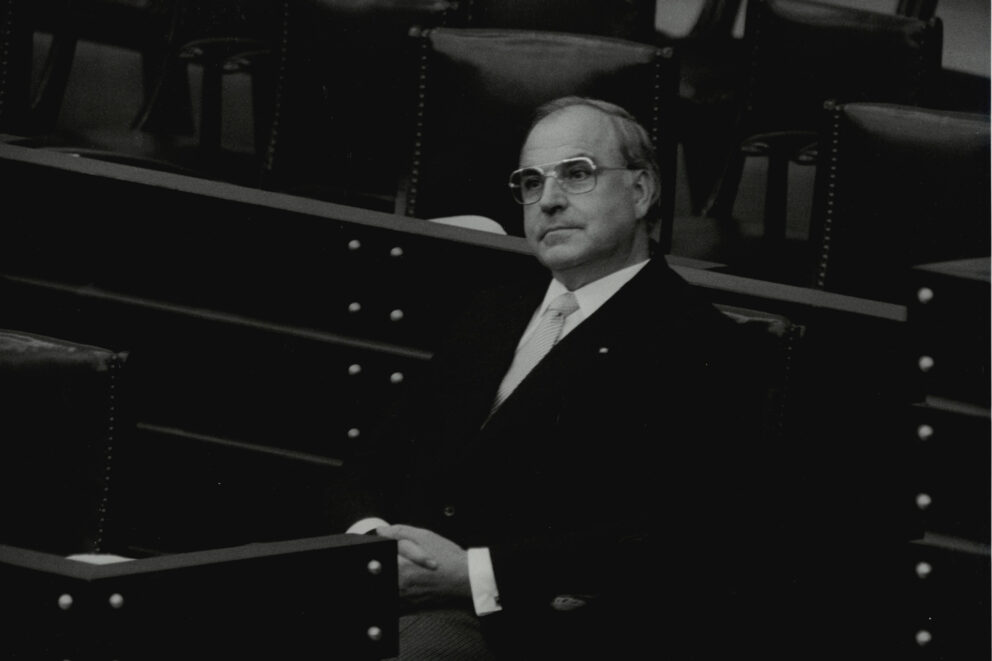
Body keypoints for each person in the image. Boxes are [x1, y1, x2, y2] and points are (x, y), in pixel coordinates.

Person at [337, 97, 788, 659]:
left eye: (577, 175)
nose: (548, 200)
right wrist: (374, 540)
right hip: (389, 586)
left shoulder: (702, 343)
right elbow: (381, 454)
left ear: (642, 191)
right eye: (531, 182)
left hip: (528, 625)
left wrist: (469, 574)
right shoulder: (492, 309)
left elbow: (670, 537)